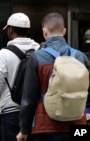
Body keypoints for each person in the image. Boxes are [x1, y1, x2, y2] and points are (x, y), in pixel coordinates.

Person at [16, 12, 90, 141]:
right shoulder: (81, 57)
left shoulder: (36, 58)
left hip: (45, 127)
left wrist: (24, 130)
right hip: (79, 125)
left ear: (45, 32)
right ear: (64, 31)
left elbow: (28, 100)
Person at [0, 12, 40, 141]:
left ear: (10, 29)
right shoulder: (40, 50)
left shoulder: (4, 54)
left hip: (11, 112)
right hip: (37, 111)